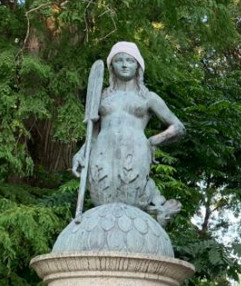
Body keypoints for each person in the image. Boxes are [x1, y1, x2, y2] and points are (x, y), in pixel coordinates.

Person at [72, 42, 185, 225]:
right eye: (119, 60)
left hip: (135, 151)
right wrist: (81, 153)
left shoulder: (148, 97)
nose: (125, 65)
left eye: (130, 61)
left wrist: (153, 141)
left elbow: (178, 127)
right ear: (112, 67)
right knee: (102, 202)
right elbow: (93, 133)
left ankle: (156, 208)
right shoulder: (102, 96)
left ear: (137, 65)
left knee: (130, 200)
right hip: (102, 152)